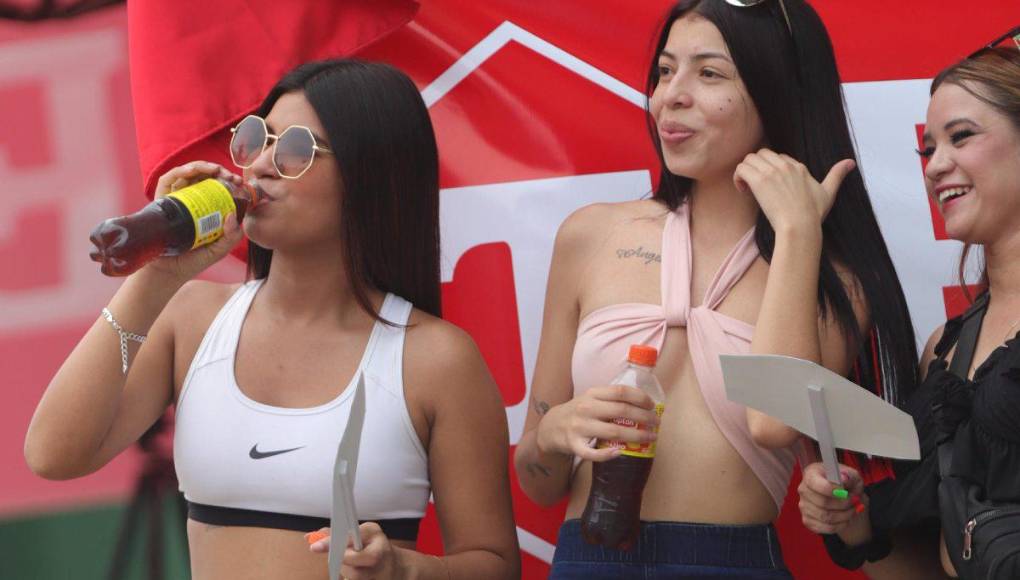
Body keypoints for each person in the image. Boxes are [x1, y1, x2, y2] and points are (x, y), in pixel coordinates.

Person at [24, 59, 520, 580]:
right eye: (257, 139)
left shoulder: (435, 358)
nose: (259, 165)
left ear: (371, 173)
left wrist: (406, 569)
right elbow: (54, 454)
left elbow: (494, 564)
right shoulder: (192, 317)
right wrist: (158, 276)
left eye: (295, 151)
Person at [514, 0, 918, 577]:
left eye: (709, 74)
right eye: (664, 71)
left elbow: (771, 424)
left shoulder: (835, 280)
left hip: (732, 562)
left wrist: (799, 231)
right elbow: (539, 487)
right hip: (588, 556)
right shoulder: (591, 235)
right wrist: (554, 433)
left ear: (779, 94)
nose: (671, 96)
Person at [798, 34, 1020, 579]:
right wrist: (856, 523)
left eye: (961, 137)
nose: (934, 165)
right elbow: (929, 561)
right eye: (928, 148)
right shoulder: (943, 350)